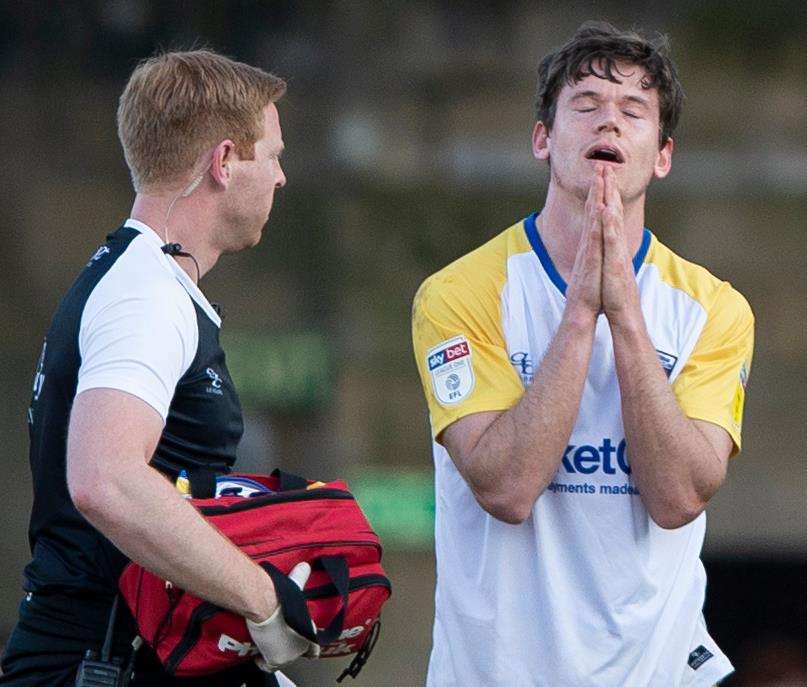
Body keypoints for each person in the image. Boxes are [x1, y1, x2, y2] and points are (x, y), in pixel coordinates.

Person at [411, 22, 754, 687]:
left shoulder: (714, 308)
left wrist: (623, 315)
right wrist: (577, 315)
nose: (610, 122)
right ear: (543, 138)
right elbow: (505, 486)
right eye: (586, 103)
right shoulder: (457, 293)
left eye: (633, 111)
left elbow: (679, 495)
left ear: (660, 155)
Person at [1, 50, 317, 686]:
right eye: (274, 155)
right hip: (100, 663)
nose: (281, 178)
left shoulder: (147, 279)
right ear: (224, 162)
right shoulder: (144, 292)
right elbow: (104, 478)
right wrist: (262, 599)